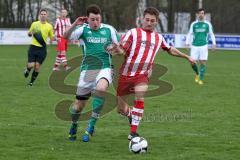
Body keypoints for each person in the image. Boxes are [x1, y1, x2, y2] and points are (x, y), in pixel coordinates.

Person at [109, 7, 195, 140]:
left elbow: (170, 49)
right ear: (142, 19)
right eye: (147, 20)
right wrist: (117, 50)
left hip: (142, 75)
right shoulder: (133, 33)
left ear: (156, 22)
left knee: (140, 96)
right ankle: (131, 115)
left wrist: (186, 56)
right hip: (125, 75)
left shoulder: (158, 38)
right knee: (121, 109)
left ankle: (133, 132)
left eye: (152, 21)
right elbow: (122, 49)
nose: (149, 23)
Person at [63, 4, 119, 142]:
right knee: (77, 107)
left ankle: (91, 126)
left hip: (105, 68)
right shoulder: (82, 29)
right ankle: (74, 125)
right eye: (92, 19)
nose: (95, 22)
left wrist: (115, 49)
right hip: (88, 71)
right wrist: (76, 23)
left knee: (101, 89)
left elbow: (120, 48)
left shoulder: (109, 29)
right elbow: (65, 36)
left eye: (98, 19)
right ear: (87, 19)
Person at [24, 9, 54, 86]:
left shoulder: (49, 26)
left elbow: (51, 36)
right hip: (33, 48)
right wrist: (30, 33)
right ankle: (27, 69)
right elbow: (29, 33)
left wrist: (51, 40)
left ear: (47, 16)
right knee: (31, 65)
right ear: (39, 15)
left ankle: (31, 83)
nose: (43, 15)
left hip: (42, 49)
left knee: (37, 67)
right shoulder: (34, 24)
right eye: (42, 14)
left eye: (44, 14)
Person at [186, 8, 216, 85]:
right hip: (194, 46)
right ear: (197, 14)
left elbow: (211, 34)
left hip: (204, 46)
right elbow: (189, 34)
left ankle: (200, 79)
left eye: (202, 13)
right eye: (200, 13)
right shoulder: (194, 24)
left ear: (204, 14)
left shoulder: (207, 24)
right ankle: (197, 73)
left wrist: (214, 44)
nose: (201, 14)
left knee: (203, 62)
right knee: (192, 62)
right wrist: (187, 43)